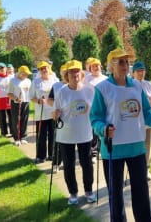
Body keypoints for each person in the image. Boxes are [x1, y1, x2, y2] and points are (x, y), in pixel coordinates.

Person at [90, 48, 151, 222]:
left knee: (141, 192)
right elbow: (95, 118)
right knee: (116, 196)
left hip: (137, 147)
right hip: (113, 150)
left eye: (127, 62)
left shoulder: (137, 86)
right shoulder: (102, 88)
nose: (125, 65)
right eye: (120, 62)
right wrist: (104, 129)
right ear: (111, 65)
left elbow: (146, 113)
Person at [53, 60, 97, 205]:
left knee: (87, 164)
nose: (75, 74)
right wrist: (56, 114)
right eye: (71, 72)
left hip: (85, 133)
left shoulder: (89, 90)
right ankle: (73, 193)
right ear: (67, 75)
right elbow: (55, 111)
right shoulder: (61, 92)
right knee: (69, 165)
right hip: (66, 135)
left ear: (81, 73)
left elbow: (95, 110)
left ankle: (89, 191)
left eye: (77, 71)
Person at [131, 61, 151, 180]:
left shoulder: (149, 84)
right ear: (133, 73)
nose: (141, 73)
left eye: (142, 70)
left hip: (148, 120)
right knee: (137, 145)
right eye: (138, 71)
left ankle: (146, 170)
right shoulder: (130, 85)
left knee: (148, 145)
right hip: (135, 121)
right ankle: (137, 169)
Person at [29, 60, 59, 163]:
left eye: (45, 67)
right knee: (41, 135)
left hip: (53, 112)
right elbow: (31, 97)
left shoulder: (55, 80)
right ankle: (41, 156)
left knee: (53, 134)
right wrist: (38, 100)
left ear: (49, 68)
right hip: (41, 113)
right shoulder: (35, 82)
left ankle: (52, 154)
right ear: (39, 71)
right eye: (41, 68)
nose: (44, 70)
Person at [84, 58, 108, 164]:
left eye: (97, 66)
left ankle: (103, 150)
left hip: (104, 108)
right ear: (90, 68)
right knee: (93, 131)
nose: (96, 68)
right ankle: (93, 153)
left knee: (103, 129)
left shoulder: (106, 78)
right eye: (93, 66)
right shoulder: (86, 79)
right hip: (91, 108)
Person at [7, 65, 32, 146]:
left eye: (27, 74)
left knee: (24, 120)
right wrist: (16, 99)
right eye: (25, 74)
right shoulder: (13, 81)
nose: (27, 75)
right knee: (16, 120)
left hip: (26, 102)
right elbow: (9, 93)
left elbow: (30, 91)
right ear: (20, 73)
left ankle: (23, 137)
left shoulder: (28, 81)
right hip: (16, 103)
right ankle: (17, 138)